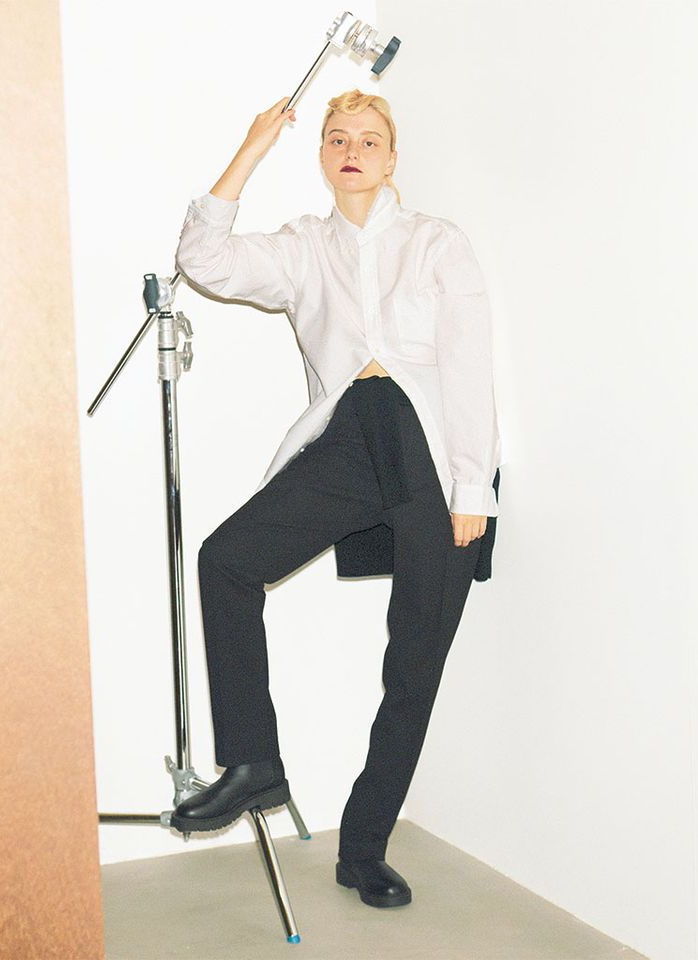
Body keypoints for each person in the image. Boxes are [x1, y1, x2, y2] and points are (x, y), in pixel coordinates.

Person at [170, 89, 503, 909]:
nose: (353, 151)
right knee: (226, 560)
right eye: (338, 139)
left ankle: (364, 850)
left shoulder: (436, 243)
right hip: (347, 442)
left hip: (432, 453)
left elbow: (468, 367)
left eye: (369, 140)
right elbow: (203, 260)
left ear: (392, 159)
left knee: (412, 665)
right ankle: (254, 762)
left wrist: (472, 486)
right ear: (322, 157)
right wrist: (251, 149)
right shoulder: (302, 249)